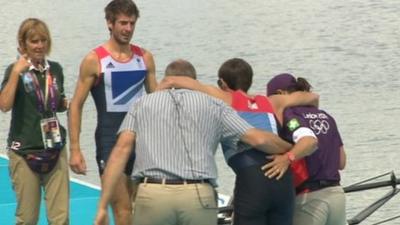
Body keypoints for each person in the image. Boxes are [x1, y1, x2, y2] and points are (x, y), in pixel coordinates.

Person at [94, 59, 294, 225]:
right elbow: (258, 138)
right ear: (194, 80)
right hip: (198, 196)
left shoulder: (142, 104)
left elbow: (120, 151)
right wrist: (289, 149)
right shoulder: (214, 105)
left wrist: (103, 206)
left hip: (153, 195)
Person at [157, 58, 319, 225]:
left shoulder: (223, 98)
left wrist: (152, 102)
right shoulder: (272, 102)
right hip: (283, 178)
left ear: (222, 83)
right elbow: (313, 97)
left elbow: (171, 80)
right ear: (250, 80)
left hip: (252, 179)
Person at [68, 0, 157, 224]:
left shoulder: (144, 58)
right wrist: (75, 149)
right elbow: (76, 105)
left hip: (142, 142)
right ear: (109, 23)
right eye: (123, 23)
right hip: (110, 143)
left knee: (143, 210)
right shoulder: (94, 60)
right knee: (122, 210)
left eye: (132, 23)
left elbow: (158, 103)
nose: (128, 29)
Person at [0, 18, 69, 224]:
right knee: (27, 219)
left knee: (61, 218)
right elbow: (4, 105)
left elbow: (55, 104)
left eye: (43, 40)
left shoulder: (55, 69)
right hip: (24, 151)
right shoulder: (14, 70)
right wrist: (15, 73)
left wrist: (64, 104)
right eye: (34, 41)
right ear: (23, 44)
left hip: (55, 148)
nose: (39, 46)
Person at [264, 73, 346, 225]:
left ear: (281, 94)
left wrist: (286, 158)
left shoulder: (290, 116)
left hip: (309, 199)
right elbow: (341, 162)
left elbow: (307, 141)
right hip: (337, 196)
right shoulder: (326, 116)